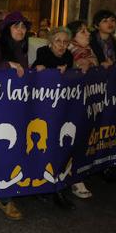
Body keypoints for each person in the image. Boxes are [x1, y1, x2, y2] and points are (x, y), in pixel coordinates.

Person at [0, 11, 30, 220]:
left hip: (13, 106)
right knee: (1, 149)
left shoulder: (20, 48)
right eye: (16, 26)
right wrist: (7, 65)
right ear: (7, 29)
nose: (20, 30)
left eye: (23, 27)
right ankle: (3, 196)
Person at [31, 26, 76, 210]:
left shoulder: (69, 56)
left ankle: (56, 186)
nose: (62, 45)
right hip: (42, 108)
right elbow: (34, 71)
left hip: (62, 107)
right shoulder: (42, 52)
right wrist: (48, 70)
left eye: (66, 42)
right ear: (50, 41)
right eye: (58, 41)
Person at [67, 20, 97, 199]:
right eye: (82, 31)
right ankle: (73, 178)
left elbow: (94, 62)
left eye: (87, 31)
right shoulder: (70, 49)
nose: (87, 34)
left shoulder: (90, 51)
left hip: (88, 100)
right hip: (72, 101)